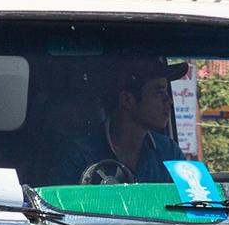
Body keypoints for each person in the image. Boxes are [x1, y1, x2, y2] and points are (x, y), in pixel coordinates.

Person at [63, 56, 188, 184]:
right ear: (127, 100)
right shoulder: (80, 155)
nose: (169, 101)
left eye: (166, 92)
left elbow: (190, 199)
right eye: (158, 93)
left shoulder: (169, 152)